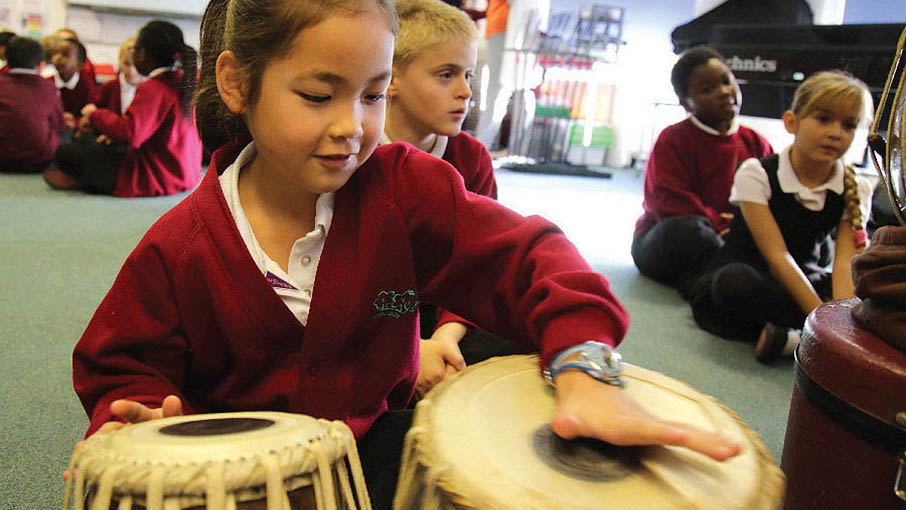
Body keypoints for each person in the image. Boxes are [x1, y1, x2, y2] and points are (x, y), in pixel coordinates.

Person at [68, 2, 741, 508]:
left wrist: (583, 363)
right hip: (241, 482)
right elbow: (123, 367)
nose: (352, 127)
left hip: (378, 444)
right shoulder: (177, 247)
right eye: (317, 94)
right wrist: (135, 409)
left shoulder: (403, 189)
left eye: (373, 94)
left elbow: (531, 255)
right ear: (238, 84)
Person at [385, 0, 522, 396]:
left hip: (445, 310)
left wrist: (446, 338)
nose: (466, 92)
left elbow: (478, 267)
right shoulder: (354, 153)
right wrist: (409, 351)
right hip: (377, 310)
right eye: (446, 75)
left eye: (468, 75)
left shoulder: (472, 158)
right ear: (391, 80)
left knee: (525, 329)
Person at [690, 70, 873, 362]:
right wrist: (824, 324)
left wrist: (841, 321)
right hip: (753, 274)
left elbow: (842, 265)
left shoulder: (856, 187)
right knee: (733, 283)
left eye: (848, 125)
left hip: (805, 278)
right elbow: (777, 258)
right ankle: (807, 336)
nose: (836, 133)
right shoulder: (757, 173)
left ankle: (791, 339)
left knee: (867, 302)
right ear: (792, 122)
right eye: (824, 119)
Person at [631, 46, 773, 298]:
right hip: (668, 238)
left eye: (726, 81)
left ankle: (710, 284)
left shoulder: (756, 143)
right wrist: (720, 227)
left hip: (730, 240)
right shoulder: (673, 139)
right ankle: (718, 281)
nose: (724, 92)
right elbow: (668, 202)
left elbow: (769, 197)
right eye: (707, 90)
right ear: (687, 103)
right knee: (690, 232)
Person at [44, 21, 202, 197]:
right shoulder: (184, 81)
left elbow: (130, 132)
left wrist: (94, 114)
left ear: (142, 54)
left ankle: (83, 180)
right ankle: (84, 179)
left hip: (153, 176)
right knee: (92, 143)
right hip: (184, 172)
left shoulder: (155, 87)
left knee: (65, 151)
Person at [0, 36, 65, 173]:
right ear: (40, 65)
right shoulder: (49, 87)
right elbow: (58, 124)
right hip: (38, 160)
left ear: (6, 61)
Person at [49, 37, 97, 130]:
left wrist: (75, 121)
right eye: (56, 53)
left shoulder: (86, 84)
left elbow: (90, 111)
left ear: (79, 65)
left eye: (65, 55)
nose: (58, 58)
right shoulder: (48, 83)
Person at [89, 37, 143, 115]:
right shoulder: (108, 87)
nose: (132, 71)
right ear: (119, 61)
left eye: (137, 65)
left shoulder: (151, 89)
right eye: (126, 64)